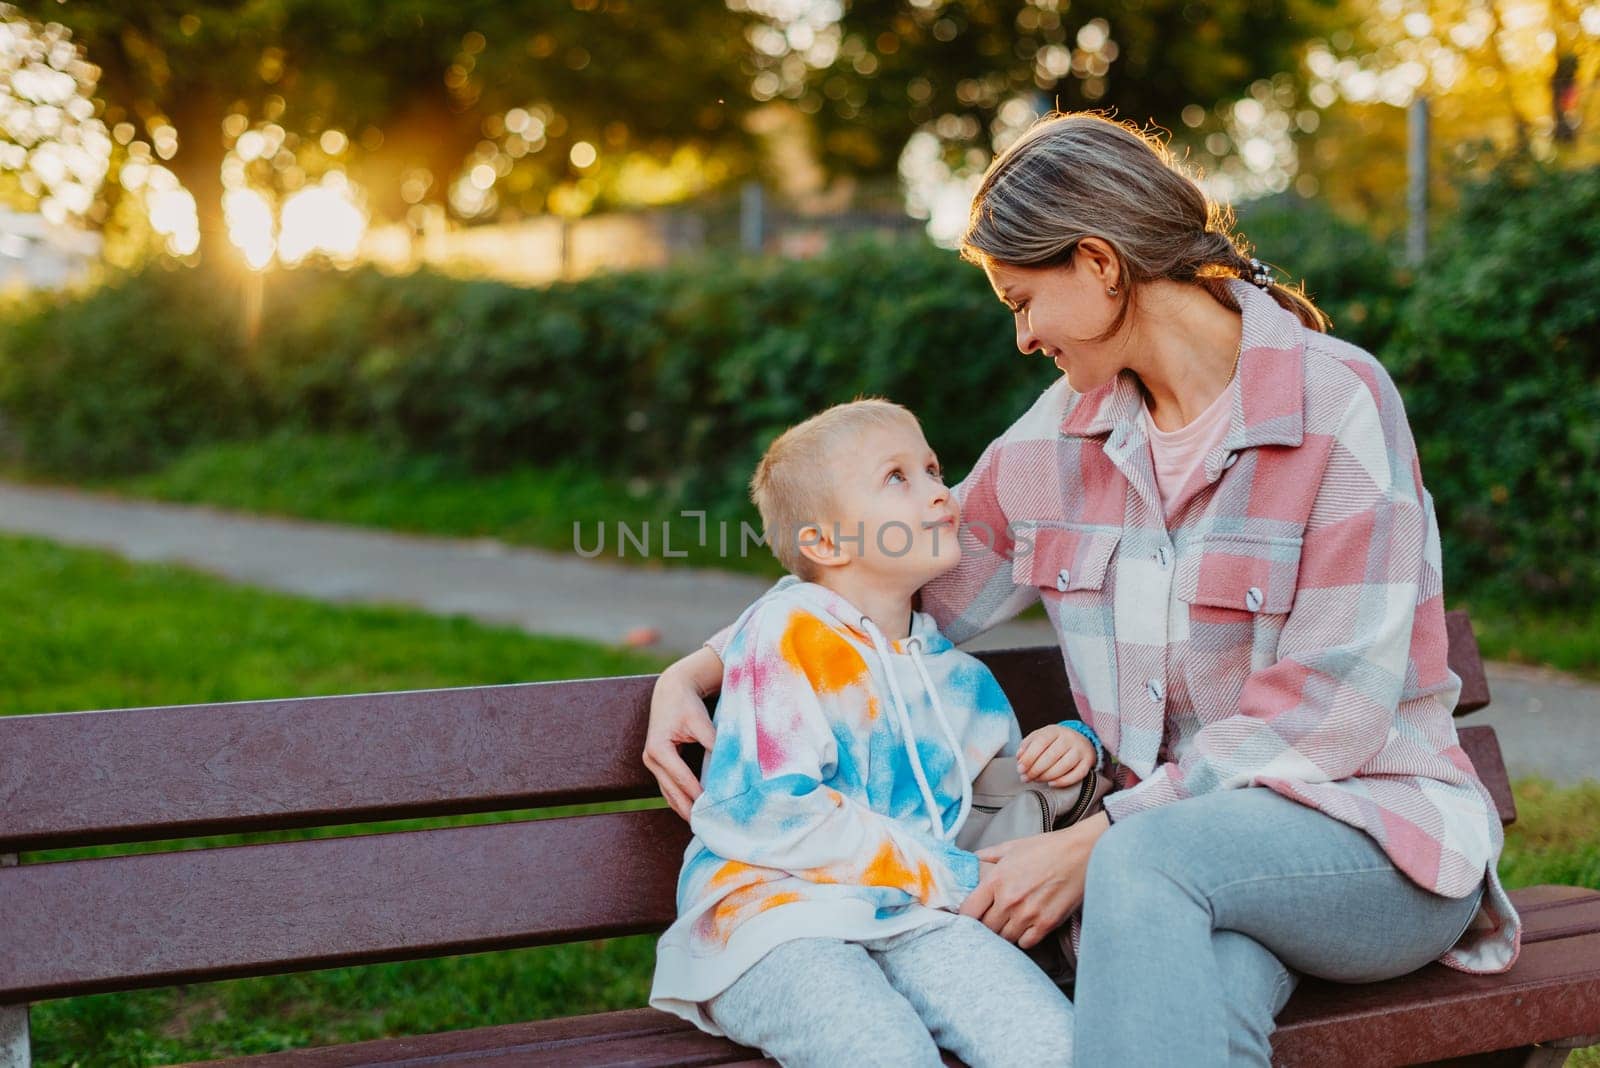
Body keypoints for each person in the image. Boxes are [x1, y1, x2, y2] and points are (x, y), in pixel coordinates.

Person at [645, 112, 1522, 1065]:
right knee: (1187, 1011)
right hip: (1173, 882)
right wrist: (704, 664)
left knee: (1144, 869)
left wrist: (1099, 835)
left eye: (1024, 301)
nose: (1022, 338)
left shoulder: (1337, 404)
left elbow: (1330, 714)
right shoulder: (1066, 435)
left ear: (1101, 265)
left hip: (1370, 846)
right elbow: (887, 572)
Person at [649, 399, 1086, 1067]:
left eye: (934, 469)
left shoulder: (959, 678)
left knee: (1059, 1048)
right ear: (825, 544)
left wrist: (1073, 741)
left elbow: (995, 805)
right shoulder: (787, 632)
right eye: (897, 478)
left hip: (913, 916)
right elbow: (766, 808)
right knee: (884, 1053)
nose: (940, 491)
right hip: (773, 922)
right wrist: (948, 876)